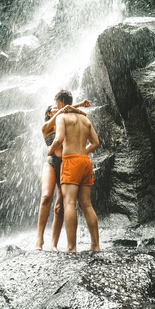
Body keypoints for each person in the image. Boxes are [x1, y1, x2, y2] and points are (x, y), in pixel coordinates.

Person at [47, 89, 100, 253]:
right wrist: (83, 152)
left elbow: (59, 139)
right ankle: (95, 245)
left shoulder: (62, 117)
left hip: (70, 162)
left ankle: (71, 247)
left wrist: (50, 150)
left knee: (69, 203)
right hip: (85, 162)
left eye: (57, 105)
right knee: (87, 205)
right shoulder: (85, 119)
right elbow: (96, 142)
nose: (57, 108)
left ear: (61, 104)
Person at [35, 98, 91, 251]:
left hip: (66, 164)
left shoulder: (64, 123)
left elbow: (71, 112)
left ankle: (53, 244)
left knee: (60, 207)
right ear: (48, 113)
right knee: (46, 197)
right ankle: (39, 240)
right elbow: (64, 109)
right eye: (55, 107)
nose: (59, 108)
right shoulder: (46, 127)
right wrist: (75, 105)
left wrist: (79, 107)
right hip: (51, 162)